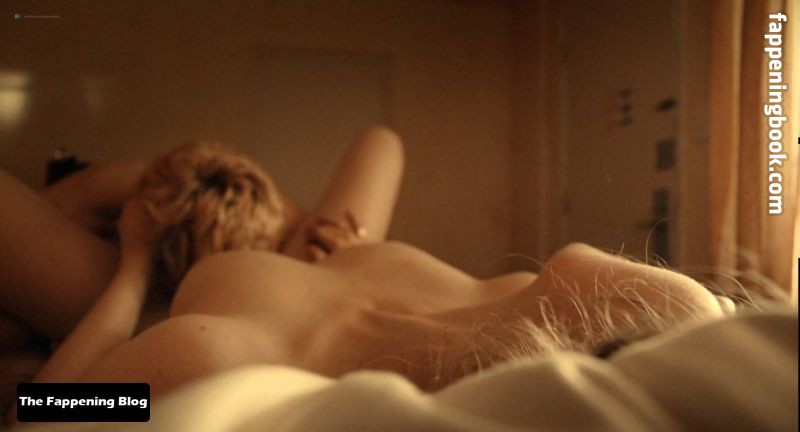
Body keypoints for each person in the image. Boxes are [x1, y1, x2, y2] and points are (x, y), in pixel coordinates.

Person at [2, 126, 729, 422]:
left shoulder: (197, 346)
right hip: (620, 322)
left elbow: (42, 409)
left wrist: (133, 263)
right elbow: (381, 141)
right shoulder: (362, 251)